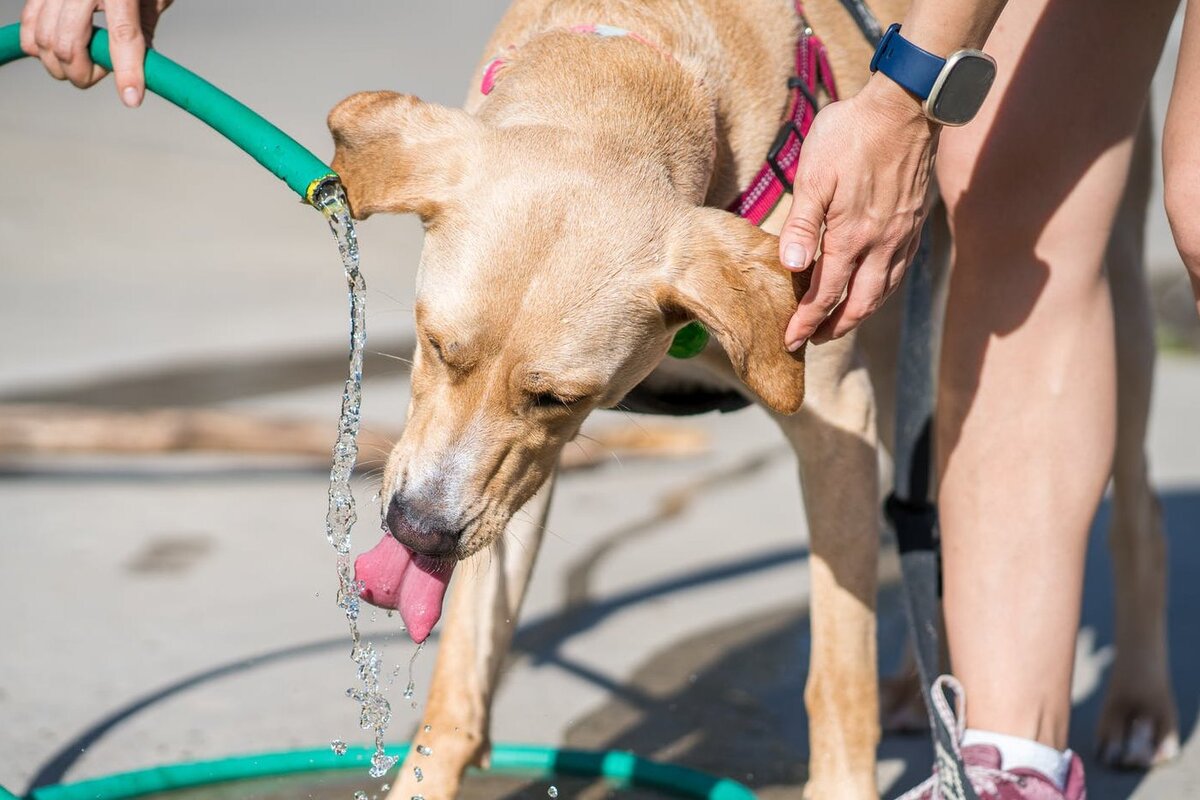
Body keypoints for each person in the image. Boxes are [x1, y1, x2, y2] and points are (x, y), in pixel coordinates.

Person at [20, 0, 1196, 797]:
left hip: (911, 54)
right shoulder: (468, 143)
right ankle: (450, 729)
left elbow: (830, 423)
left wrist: (837, 771)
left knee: (1064, 248)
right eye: (443, 347)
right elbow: (490, 435)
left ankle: (1119, 621)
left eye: (543, 394)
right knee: (495, 441)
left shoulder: (728, 241)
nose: (430, 489)